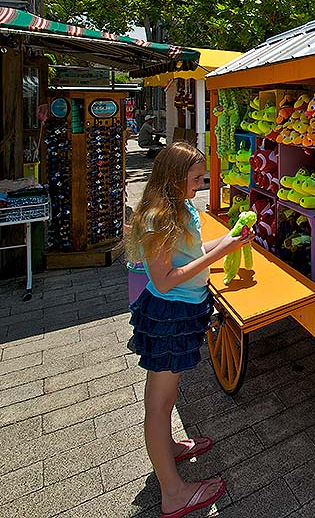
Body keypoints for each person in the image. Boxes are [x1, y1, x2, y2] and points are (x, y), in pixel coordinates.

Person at [125, 142, 250, 518]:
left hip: (181, 312)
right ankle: (173, 494)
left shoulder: (178, 208)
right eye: (196, 177)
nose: (201, 182)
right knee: (159, 404)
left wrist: (229, 240)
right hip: (168, 314)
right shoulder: (158, 217)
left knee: (164, 397)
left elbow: (191, 253)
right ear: (176, 176)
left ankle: (168, 449)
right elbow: (163, 280)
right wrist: (220, 254)